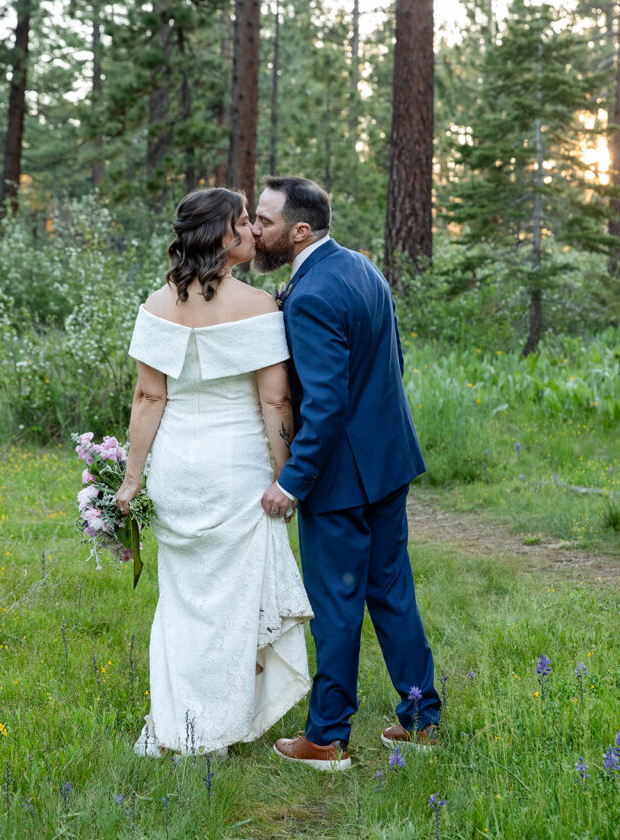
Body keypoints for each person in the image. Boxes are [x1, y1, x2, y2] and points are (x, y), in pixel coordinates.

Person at [251, 175, 441, 771]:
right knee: (391, 593)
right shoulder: (362, 268)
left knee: (336, 605)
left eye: (265, 221)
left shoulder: (310, 295)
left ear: (299, 230)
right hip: (388, 462)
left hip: (340, 477)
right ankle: (421, 719)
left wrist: (291, 481)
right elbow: (392, 361)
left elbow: (326, 403)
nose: (255, 229)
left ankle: (328, 737)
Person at [116, 187, 313, 757]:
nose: (253, 229)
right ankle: (216, 729)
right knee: (228, 603)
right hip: (236, 468)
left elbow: (148, 397)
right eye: (244, 220)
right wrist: (286, 478)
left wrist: (133, 479)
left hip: (178, 466)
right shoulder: (256, 306)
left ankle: (178, 724)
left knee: (182, 602)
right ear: (221, 236)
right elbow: (275, 404)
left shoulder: (156, 306)